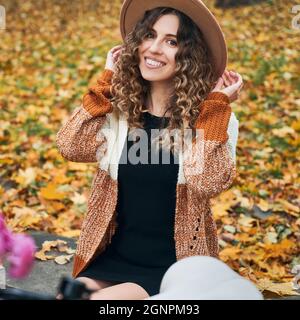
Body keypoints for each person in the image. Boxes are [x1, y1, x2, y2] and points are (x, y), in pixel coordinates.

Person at [56, 0, 243, 300]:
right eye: (149, 35)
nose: (154, 48)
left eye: (171, 41)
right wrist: (106, 83)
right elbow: (70, 144)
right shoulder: (119, 114)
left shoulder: (212, 121)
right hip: (113, 259)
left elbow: (206, 180)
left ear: (190, 56)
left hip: (173, 268)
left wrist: (216, 109)